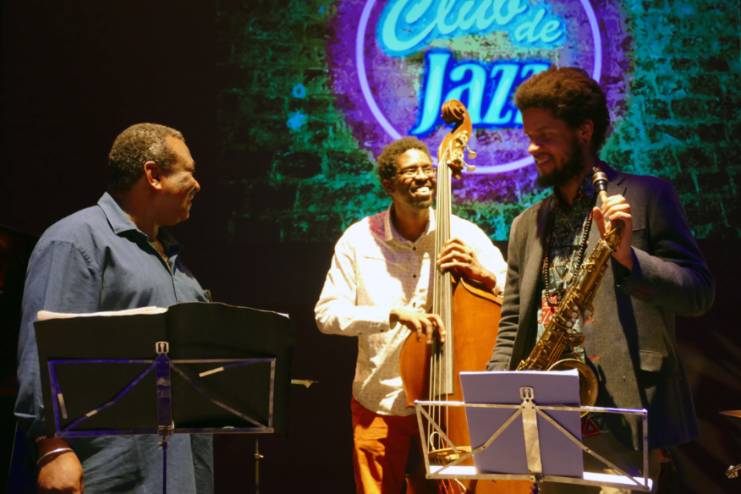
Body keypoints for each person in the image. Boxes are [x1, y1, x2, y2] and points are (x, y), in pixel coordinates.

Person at [486, 67, 715, 492]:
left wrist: (630, 259)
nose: (533, 148)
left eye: (545, 136)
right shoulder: (525, 225)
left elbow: (698, 293)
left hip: (625, 412)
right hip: (549, 416)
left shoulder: (648, 197)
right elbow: (512, 323)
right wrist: (495, 396)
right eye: (530, 135)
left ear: (584, 131)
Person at [13, 123, 213, 494]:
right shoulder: (77, 240)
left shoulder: (174, 260)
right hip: (111, 473)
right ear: (153, 175)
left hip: (178, 472)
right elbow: (43, 348)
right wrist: (52, 447)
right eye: (189, 171)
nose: (198, 184)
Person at [315, 136, 507, 493]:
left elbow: (512, 295)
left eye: (427, 168)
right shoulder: (359, 240)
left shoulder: (464, 234)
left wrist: (482, 273)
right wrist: (390, 314)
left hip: (450, 402)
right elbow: (327, 314)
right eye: (410, 171)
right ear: (389, 184)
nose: (422, 176)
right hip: (381, 398)